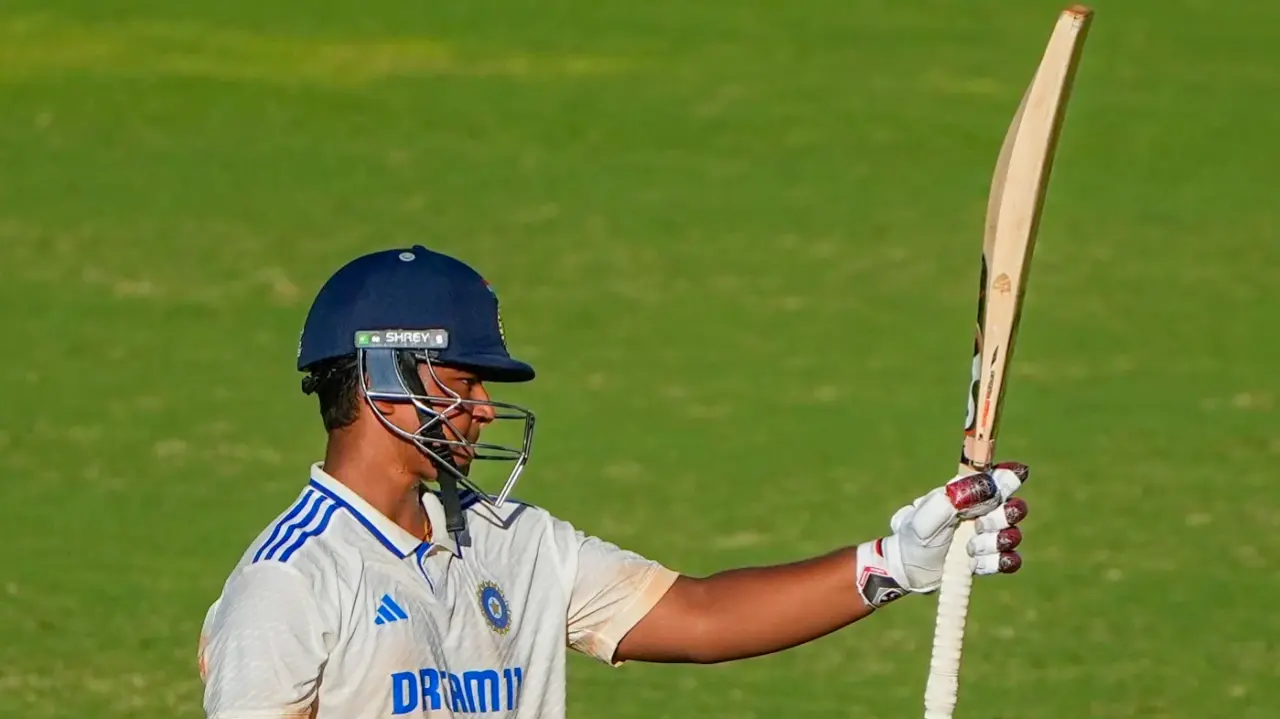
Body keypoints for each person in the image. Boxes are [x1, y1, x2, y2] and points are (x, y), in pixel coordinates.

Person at [197, 245, 1030, 718]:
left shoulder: (511, 542)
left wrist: (895, 564)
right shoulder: (291, 584)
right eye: (465, 381)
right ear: (386, 378)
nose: (485, 411)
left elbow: (701, 617)